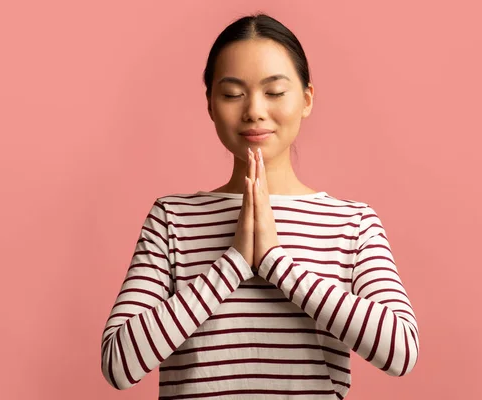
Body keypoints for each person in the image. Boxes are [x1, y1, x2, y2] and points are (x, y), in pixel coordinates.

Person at [101, 12, 419, 399]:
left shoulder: (352, 223)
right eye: (233, 93)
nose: (253, 110)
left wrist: (276, 263)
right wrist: (234, 261)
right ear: (210, 104)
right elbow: (118, 363)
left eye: (274, 92)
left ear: (306, 99)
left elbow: (401, 352)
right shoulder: (172, 219)